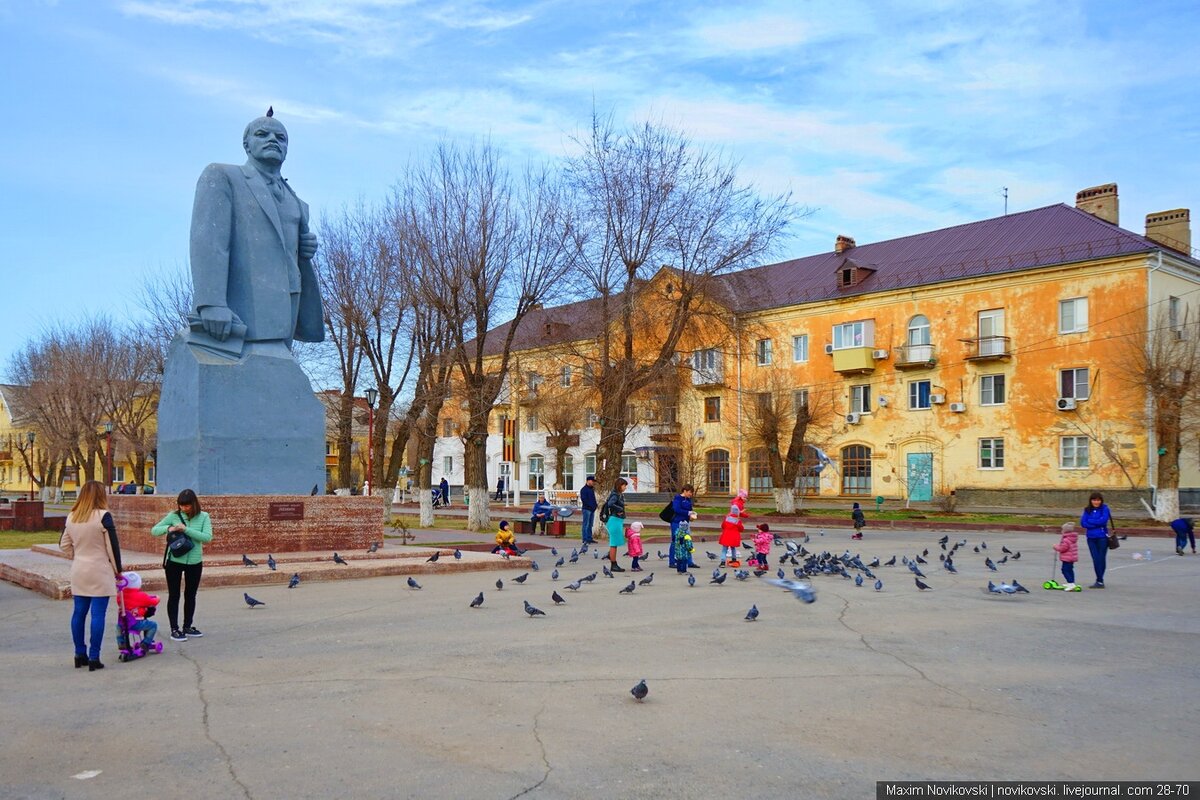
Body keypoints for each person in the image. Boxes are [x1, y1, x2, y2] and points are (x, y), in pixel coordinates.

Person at [190, 109, 322, 349]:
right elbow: (209, 240)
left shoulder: (297, 201)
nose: (273, 140)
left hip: (287, 308)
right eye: (262, 134)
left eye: (280, 138)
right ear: (246, 144)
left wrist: (304, 248)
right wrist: (211, 303)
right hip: (243, 310)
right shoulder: (223, 176)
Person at [60, 480, 123, 671]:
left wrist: (77, 555)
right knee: (98, 614)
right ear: (101, 495)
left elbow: (63, 544)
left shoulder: (72, 516)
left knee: (79, 613)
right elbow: (112, 547)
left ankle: (80, 654)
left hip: (79, 569)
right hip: (100, 569)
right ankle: (94, 657)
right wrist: (118, 570)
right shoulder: (104, 516)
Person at [151, 489, 213, 641]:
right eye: (181, 506)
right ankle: (174, 629)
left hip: (195, 561)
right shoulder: (173, 516)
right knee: (174, 595)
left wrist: (186, 529)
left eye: (187, 506)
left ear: (194, 504)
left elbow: (207, 537)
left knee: (190, 595)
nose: (184, 508)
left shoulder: (204, 516)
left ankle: (187, 626)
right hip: (175, 561)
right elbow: (154, 530)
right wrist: (169, 528)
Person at [117, 572, 160, 651]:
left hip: (124, 622)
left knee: (118, 626)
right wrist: (157, 598)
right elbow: (152, 602)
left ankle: (121, 642)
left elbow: (120, 602)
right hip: (136, 622)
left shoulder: (120, 595)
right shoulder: (141, 596)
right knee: (153, 625)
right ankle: (145, 643)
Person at [1080, 491, 1112, 588]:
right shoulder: (1087, 510)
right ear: (1091, 501)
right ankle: (1099, 580)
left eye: (1098, 500)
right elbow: (1083, 523)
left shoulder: (1105, 508)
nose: (1096, 502)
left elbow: (1103, 521)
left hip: (1102, 538)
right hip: (1091, 538)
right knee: (1095, 559)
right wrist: (1095, 523)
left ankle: (1100, 580)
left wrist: (1090, 521)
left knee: (1101, 558)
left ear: (1101, 501)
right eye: (1094, 500)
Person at [601, 478, 628, 572]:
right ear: (619, 485)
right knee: (614, 543)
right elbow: (610, 504)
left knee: (615, 543)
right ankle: (613, 564)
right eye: (624, 485)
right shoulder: (615, 494)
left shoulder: (618, 494)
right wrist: (619, 509)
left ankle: (613, 560)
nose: (625, 487)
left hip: (616, 520)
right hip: (614, 520)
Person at [669, 485, 695, 569]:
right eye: (690, 492)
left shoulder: (688, 500)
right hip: (677, 522)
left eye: (691, 492)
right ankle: (672, 561)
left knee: (687, 541)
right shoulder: (677, 498)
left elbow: (690, 510)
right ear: (685, 491)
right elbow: (676, 509)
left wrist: (691, 516)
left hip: (685, 523)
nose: (691, 494)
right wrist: (688, 513)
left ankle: (689, 561)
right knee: (675, 541)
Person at [718, 496, 748, 567]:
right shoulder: (737, 521)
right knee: (733, 548)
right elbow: (741, 529)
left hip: (726, 536)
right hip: (734, 537)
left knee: (724, 550)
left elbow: (722, 526)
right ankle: (734, 559)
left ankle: (722, 562)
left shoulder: (727, 518)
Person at [1052, 522, 1080, 591]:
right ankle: (1071, 582)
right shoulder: (1072, 538)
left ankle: (1071, 583)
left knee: (1065, 570)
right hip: (1071, 557)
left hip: (1067, 558)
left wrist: (1055, 547)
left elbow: (1062, 548)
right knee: (1070, 570)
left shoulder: (1066, 540)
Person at [579, 475, 598, 546]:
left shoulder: (591, 489)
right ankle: (585, 539)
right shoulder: (584, 489)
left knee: (590, 524)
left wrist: (595, 505)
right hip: (586, 509)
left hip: (592, 509)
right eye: (592, 481)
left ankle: (589, 538)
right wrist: (591, 506)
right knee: (586, 524)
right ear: (588, 481)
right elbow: (584, 500)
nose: (593, 482)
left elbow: (593, 499)